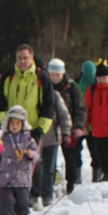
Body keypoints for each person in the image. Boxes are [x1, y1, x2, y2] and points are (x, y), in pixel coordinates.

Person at [0, 44, 54, 209]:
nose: (22, 61)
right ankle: (12, 198)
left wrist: (41, 127)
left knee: (32, 161)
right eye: (19, 58)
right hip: (11, 128)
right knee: (11, 160)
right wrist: (2, 123)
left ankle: (34, 195)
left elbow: (49, 105)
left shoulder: (41, 77)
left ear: (31, 58)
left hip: (32, 127)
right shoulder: (8, 76)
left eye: (25, 58)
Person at [0, 106, 39, 215]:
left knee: (22, 202)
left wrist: (31, 154)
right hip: (5, 179)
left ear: (23, 124)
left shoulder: (28, 140)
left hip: (22, 179)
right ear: (8, 123)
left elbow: (36, 155)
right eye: (12, 123)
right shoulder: (3, 140)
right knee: (5, 202)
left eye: (18, 123)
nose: (15, 126)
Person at [30, 69, 71, 206]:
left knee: (49, 169)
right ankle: (35, 194)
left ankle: (47, 195)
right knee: (35, 168)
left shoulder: (54, 95)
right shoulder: (30, 95)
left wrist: (66, 132)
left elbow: (64, 115)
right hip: (34, 137)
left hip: (51, 137)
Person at [48, 59, 87, 194]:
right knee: (49, 159)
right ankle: (50, 183)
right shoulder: (46, 87)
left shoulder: (72, 87)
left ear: (62, 74)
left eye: (57, 75)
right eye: (52, 75)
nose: (55, 78)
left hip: (68, 128)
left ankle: (72, 184)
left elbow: (81, 108)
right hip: (50, 129)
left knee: (71, 157)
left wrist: (77, 127)